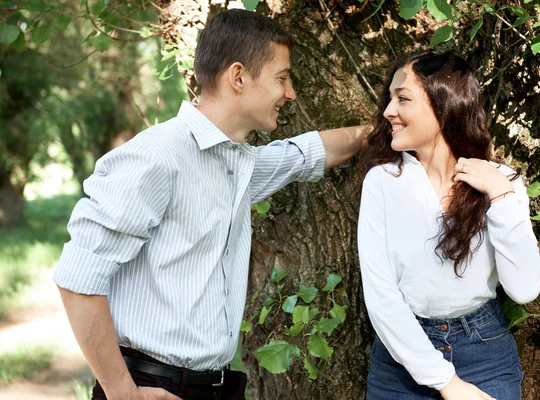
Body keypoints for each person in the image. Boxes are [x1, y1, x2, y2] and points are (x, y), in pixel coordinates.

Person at [54, 9, 366, 400]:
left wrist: (385, 129)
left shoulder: (238, 163)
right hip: (153, 388)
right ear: (238, 77)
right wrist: (122, 392)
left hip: (215, 387)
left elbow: (303, 154)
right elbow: (78, 279)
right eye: (282, 78)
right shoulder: (157, 156)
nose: (291, 93)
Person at [357, 50, 540, 400]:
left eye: (403, 99)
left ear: (444, 105)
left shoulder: (500, 181)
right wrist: (449, 385)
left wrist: (501, 197)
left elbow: (524, 289)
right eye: (390, 98)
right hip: (400, 361)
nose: (388, 111)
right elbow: (382, 299)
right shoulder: (383, 182)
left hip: (484, 353)